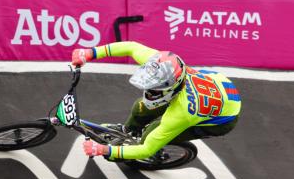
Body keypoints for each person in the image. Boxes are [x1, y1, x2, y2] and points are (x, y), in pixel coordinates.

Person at [71, 41, 241, 160]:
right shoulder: (162, 64)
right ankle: (128, 130)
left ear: (170, 89)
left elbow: (147, 150)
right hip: (216, 86)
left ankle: (143, 143)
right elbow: (131, 47)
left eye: (154, 90)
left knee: (149, 136)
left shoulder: (183, 113)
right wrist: (90, 53)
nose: (148, 93)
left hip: (222, 119)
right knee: (140, 108)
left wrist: (104, 150)